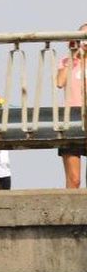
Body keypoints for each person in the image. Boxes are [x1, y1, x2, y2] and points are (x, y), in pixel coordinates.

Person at [55, 25, 87, 188]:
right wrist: (73, 55)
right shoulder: (67, 60)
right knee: (74, 180)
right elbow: (59, 82)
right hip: (71, 120)